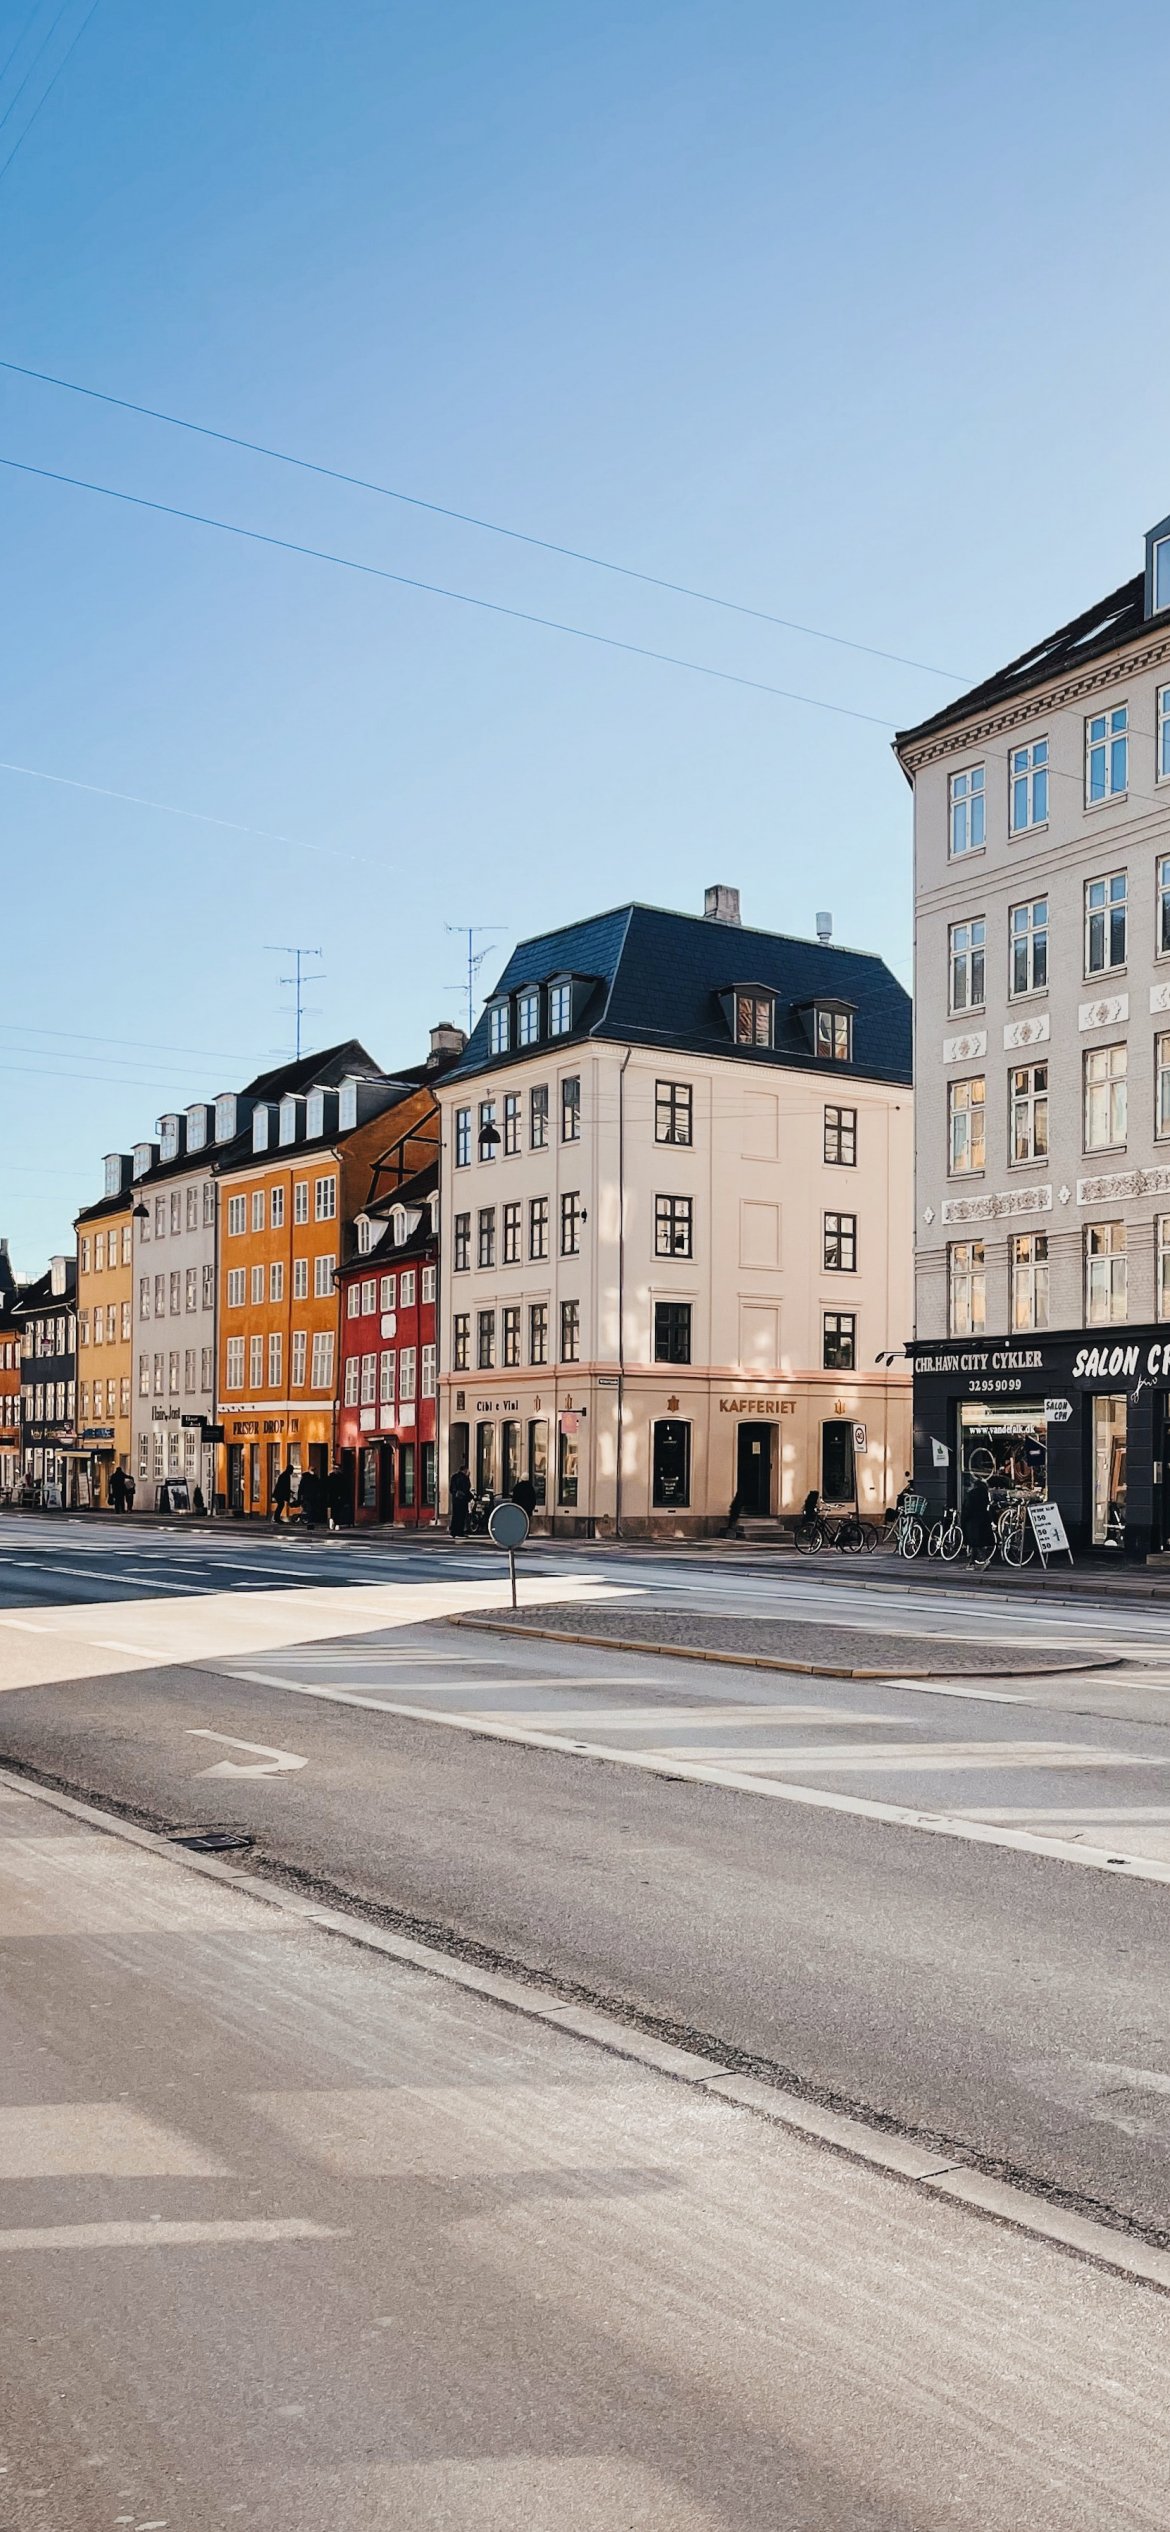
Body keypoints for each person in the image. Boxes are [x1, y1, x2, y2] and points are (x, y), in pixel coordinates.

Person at [961, 1473, 995, 1563]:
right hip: (983, 1519)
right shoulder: (984, 1494)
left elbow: (968, 1507)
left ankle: (984, 1560)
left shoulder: (971, 1494)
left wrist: (964, 1518)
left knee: (975, 1542)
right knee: (977, 1542)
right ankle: (972, 1561)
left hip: (972, 1520)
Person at [449, 1463, 471, 1537]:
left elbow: (451, 1489)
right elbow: (466, 1488)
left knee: (455, 1515)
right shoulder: (464, 1478)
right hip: (462, 1500)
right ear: (464, 1470)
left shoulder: (454, 1477)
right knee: (462, 1516)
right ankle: (459, 1531)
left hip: (455, 1500)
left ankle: (453, 1531)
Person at [298, 1467, 322, 1532]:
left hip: (312, 1496)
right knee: (309, 1509)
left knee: (312, 1509)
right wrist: (300, 1497)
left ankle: (311, 1521)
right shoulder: (307, 1478)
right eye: (312, 1470)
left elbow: (318, 1487)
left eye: (314, 1470)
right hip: (308, 1496)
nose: (313, 1471)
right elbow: (301, 1488)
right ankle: (310, 1522)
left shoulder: (314, 1478)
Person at [327, 1464, 349, 1530]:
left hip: (340, 1496)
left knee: (338, 1510)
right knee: (333, 1509)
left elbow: (345, 1488)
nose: (336, 1470)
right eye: (334, 1468)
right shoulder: (330, 1477)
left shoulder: (342, 1477)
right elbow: (327, 1487)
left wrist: (343, 1496)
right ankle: (333, 1521)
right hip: (332, 1496)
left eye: (337, 1468)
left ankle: (336, 1523)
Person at [272, 1462, 294, 1527]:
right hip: (279, 1493)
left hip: (279, 1493)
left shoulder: (285, 1475)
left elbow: (284, 1486)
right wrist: (289, 1492)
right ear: (289, 1470)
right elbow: (284, 1486)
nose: (292, 1472)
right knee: (281, 1505)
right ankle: (276, 1518)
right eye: (292, 1470)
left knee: (281, 1505)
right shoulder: (285, 1475)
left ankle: (276, 1518)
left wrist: (290, 1491)